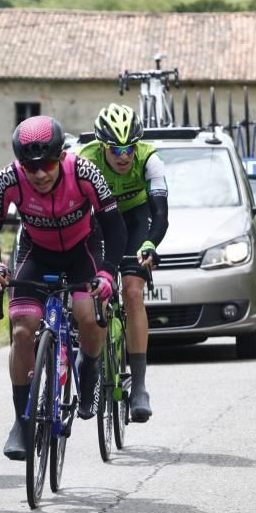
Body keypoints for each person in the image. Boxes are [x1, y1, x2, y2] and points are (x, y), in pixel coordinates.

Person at [0, 115, 127, 460]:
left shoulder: (84, 172)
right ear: (21, 165)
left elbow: (114, 226)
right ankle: (22, 420)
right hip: (36, 251)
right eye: (31, 168)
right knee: (21, 331)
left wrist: (107, 273)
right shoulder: (9, 179)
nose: (40, 174)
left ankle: (89, 366)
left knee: (87, 315)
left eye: (47, 164)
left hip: (83, 249)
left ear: (61, 156)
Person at [76, 103, 169, 422]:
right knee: (88, 288)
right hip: (99, 221)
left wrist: (149, 244)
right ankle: (86, 350)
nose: (123, 156)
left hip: (136, 219)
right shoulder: (84, 160)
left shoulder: (149, 159)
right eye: (116, 149)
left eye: (129, 147)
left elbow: (160, 214)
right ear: (103, 146)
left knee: (132, 293)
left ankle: (140, 386)